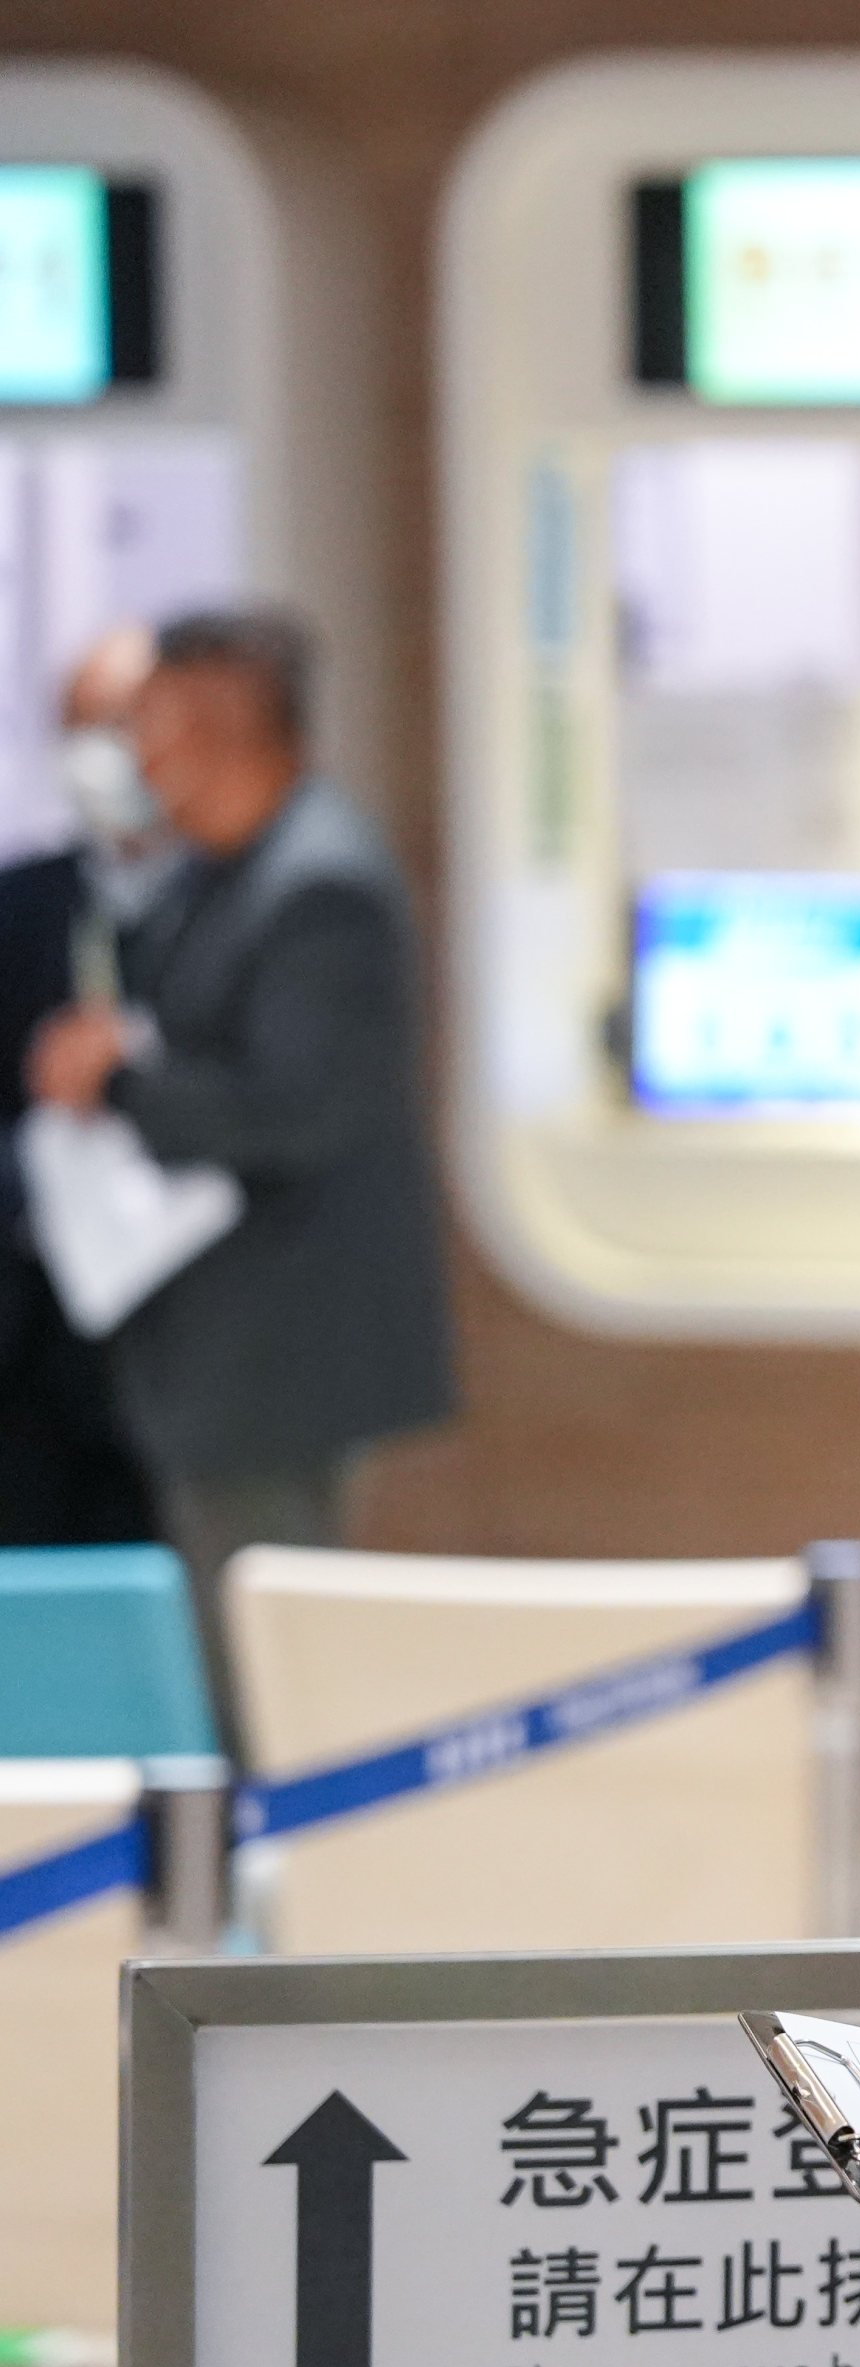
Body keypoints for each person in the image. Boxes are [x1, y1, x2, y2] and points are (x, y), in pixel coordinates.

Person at [17, 608, 453, 1715]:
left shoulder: (319, 882)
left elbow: (300, 1108)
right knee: (220, 1656)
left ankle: (266, 1829)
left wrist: (119, 1084)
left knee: (266, 1669)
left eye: (147, 724)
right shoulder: (217, 872)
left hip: (277, 1358)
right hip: (207, 1355)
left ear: (212, 726)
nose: (133, 754)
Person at [0, 625, 170, 1545]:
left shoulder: (239, 904)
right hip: (35, 1331)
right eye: (77, 730)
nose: (100, 755)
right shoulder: (20, 904)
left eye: (120, 724)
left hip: (188, 1325)